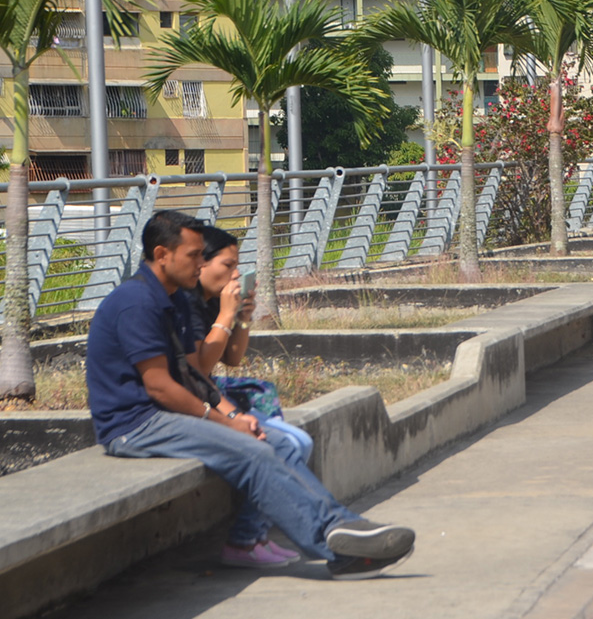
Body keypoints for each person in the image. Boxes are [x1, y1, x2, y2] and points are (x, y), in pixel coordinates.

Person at [85, 210, 416, 580]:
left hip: (169, 414)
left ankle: (345, 525)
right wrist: (222, 420)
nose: (199, 263)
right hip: (135, 424)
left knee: (275, 441)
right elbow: (159, 386)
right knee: (254, 453)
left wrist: (236, 417)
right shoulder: (136, 302)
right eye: (194, 255)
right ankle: (337, 550)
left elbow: (193, 374)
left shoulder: (172, 297)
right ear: (162, 255)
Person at [185, 225, 313, 464]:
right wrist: (225, 316)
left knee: (302, 441)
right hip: (199, 398)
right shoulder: (187, 305)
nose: (235, 274)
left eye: (236, 266)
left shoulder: (212, 300)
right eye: (228, 265)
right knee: (292, 444)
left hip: (209, 392)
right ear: (202, 263)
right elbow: (201, 368)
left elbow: (232, 359)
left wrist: (242, 319)